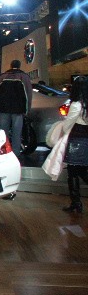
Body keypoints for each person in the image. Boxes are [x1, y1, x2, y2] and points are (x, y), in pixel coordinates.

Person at [0, 59, 33, 159]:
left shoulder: (2, 77)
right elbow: (28, 95)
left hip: (3, 109)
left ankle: (4, 151)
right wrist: (27, 110)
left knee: (3, 132)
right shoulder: (24, 77)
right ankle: (15, 153)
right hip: (18, 110)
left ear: (10, 65)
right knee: (16, 132)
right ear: (19, 65)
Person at [60, 76, 88, 213]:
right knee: (81, 169)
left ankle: (76, 203)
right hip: (86, 139)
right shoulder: (86, 104)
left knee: (73, 171)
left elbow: (68, 124)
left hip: (76, 140)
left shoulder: (76, 104)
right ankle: (76, 203)